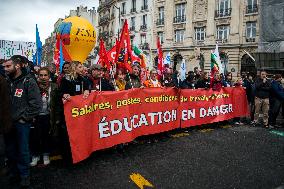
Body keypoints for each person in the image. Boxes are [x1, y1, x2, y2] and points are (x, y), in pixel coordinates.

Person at [2, 56, 42, 187]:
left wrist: (24, 118)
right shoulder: (7, 81)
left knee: (23, 151)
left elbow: (36, 104)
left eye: (8, 66)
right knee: (10, 150)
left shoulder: (29, 81)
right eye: (4, 66)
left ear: (17, 66)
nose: (5, 68)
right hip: (8, 123)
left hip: (21, 124)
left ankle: (25, 175)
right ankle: (14, 173)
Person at [30, 67, 63, 166]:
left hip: (49, 116)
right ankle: (35, 155)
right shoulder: (33, 86)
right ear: (38, 76)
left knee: (47, 136)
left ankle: (45, 154)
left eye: (45, 75)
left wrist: (57, 118)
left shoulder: (54, 86)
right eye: (41, 75)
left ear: (49, 76)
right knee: (35, 136)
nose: (43, 77)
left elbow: (57, 103)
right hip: (35, 116)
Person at [59, 61, 90, 164]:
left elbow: (87, 89)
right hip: (69, 113)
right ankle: (69, 157)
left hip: (80, 113)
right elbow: (61, 93)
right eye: (80, 67)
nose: (83, 68)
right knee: (69, 136)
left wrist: (87, 91)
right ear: (74, 68)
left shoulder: (84, 80)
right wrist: (64, 95)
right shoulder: (66, 80)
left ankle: (81, 155)